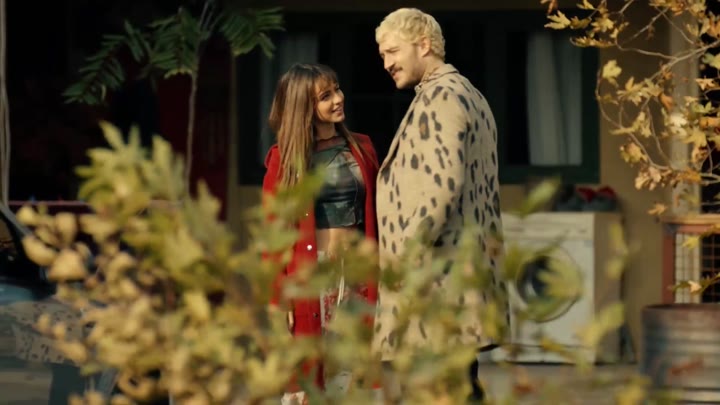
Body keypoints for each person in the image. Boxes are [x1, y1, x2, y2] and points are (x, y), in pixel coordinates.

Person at [372, 8, 508, 403]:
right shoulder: (469, 94)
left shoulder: (442, 97)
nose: (386, 64)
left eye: (392, 52)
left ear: (424, 45)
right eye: (382, 55)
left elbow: (441, 189)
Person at [261, 63, 380, 404]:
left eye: (337, 90)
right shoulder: (284, 160)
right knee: (309, 377)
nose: (338, 99)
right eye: (325, 97)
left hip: (358, 274)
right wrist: (277, 297)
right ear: (304, 107)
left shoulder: (363, 148)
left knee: (354, 374)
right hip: (311, 278)